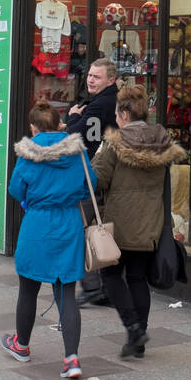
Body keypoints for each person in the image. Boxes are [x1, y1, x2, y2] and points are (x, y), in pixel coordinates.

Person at [1, 101, 95, 380]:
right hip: (68, 224)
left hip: (37, 225)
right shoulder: (76, 151)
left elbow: (16, 189)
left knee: (28, 288)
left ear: (33, 127)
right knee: (67, 291)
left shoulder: (28, 154)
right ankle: (71, 359)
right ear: (59, 124)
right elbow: (91, 182)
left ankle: (22, 344)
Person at [91, 84, 186, 358]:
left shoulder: (114, 143)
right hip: (150, 223)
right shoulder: (163, 141)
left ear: (123, 113)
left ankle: (133, 327)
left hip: (120, 223)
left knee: (110, 275)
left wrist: (95, 158)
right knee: (137, 277)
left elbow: (98, 180)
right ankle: (139, 339)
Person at [66, 59, 119, 305]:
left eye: (96, 77)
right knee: (100, 229)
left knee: (84, 227)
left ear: (110, 80)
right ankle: (104, 286)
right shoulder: (105, 100)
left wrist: (72, 117)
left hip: (93, 174)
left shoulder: (100, 104)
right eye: (89, 75)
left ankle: (92, 286)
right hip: (106, 173)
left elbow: (84, 137)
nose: (90, 80)